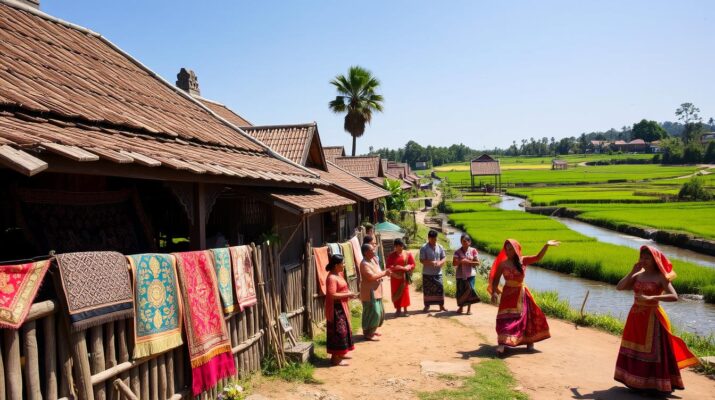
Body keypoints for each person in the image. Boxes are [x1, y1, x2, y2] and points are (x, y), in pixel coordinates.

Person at [613, 246, 699, 392]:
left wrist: (651, 297)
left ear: (655, 260)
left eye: (647, 258)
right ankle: (634, 381)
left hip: (653, 317)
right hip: (635, 316)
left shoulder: (661, 277)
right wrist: (632, 272)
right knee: (633, 347)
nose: (644, 261)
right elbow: (619, 287)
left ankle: (654, 385)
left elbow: (674, 296)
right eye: (642, 257)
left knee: (654, 351)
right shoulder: (638, 274)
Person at [488, 239, 559, 356]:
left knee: (527, 318)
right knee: (504, 319)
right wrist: (495, 293)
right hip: (507, 295)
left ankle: (529, 341)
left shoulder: (523, 260)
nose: (508, 251)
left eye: (510, 248)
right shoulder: (502, 264)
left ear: (516, 249)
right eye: (506, 249)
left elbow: (537, 257)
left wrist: (546, 245)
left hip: (521, 294)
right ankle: (502, 343)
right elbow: (495, 283)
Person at [325, 254, 358, 366]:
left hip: (341, 307)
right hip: (336, 309)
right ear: (336, 265)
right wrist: (348, 294)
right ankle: (335, 358)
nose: (343, 265)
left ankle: (341, 353)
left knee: (345, 330)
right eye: (342, 263)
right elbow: (332, 294)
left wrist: (348, 294)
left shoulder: (338, 275)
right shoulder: (331, 278)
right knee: (338, 332)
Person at [359, 243, 391, 340]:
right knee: (374, 312)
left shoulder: (374, 260)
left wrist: (383, 273)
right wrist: (384, 273)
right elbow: (371, 277)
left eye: (373, 249)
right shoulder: (364, 264)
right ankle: (369, 333)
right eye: (372, 250)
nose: (374, 251)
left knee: (379, 312)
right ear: (365, 252)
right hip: (369, 292)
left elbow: (378, 271)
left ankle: (371, 331)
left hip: (376, 290)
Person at [420, 230, 448, 312]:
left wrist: (440, 262)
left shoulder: (440, 247)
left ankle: (441, 306)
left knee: (440, 289)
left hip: (438, 273)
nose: (434, 241)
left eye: (435, 239)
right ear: (428, 238)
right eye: (432, 239)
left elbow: (444, 257)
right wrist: (431, 262)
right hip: (427, 273)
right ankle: (427, 306)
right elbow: (421, 260)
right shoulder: (424, 247)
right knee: (427, 291)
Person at [386, 238, 415, 317]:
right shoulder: (391, 255)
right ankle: (398, 310)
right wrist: (398, 268)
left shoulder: (408, 254)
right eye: (398, 246)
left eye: (401, 246)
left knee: (405, 293)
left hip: (404, 277)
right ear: (395, 246)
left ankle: (405, 310)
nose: (400, 248)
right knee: (396, 292)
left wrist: (408, 267)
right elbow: (388, 266)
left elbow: (412, 264)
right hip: (395, 278)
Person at [453, 234, 481, 315]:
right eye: (462, 241)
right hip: (460, 275)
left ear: (469, 242)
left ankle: (469, 309)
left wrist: (469, 262)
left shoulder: (473, 251)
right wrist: (461, 261)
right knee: (461, 291)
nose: (464, 243)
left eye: (465, 241)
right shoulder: (457, 252)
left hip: (470, 274)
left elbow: (477, 263)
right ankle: (461, 307)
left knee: (470, 291)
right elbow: (454, 263)